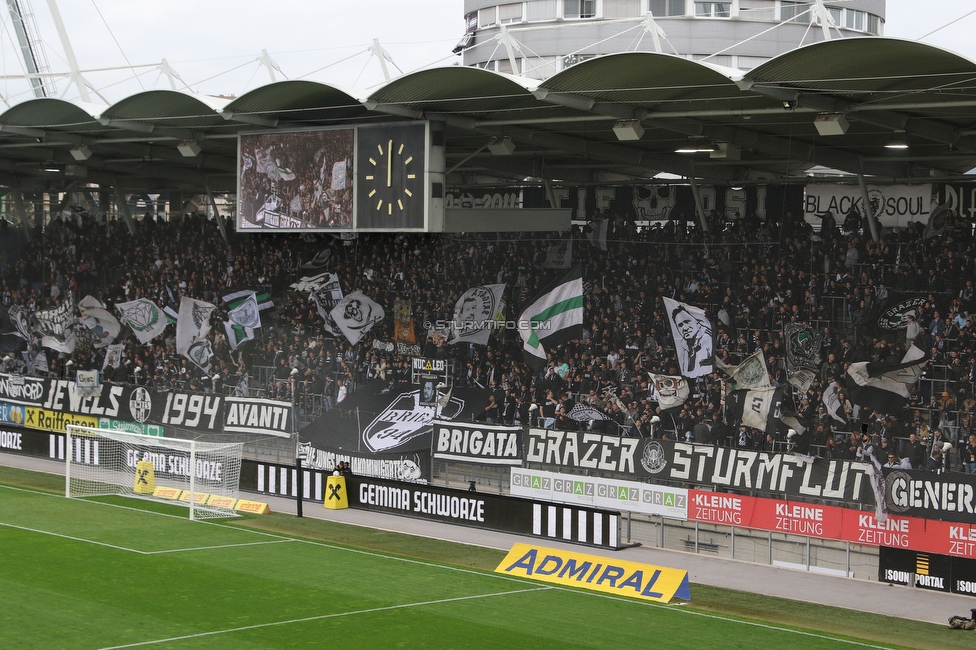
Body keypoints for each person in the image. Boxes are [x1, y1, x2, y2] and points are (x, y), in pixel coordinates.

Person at [669, 303, 713, 377]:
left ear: (697, 321)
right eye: (680, 325)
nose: (685, 328)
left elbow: (706, 369)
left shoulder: (706, 338)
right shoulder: (683, 344)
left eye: (687, 322)